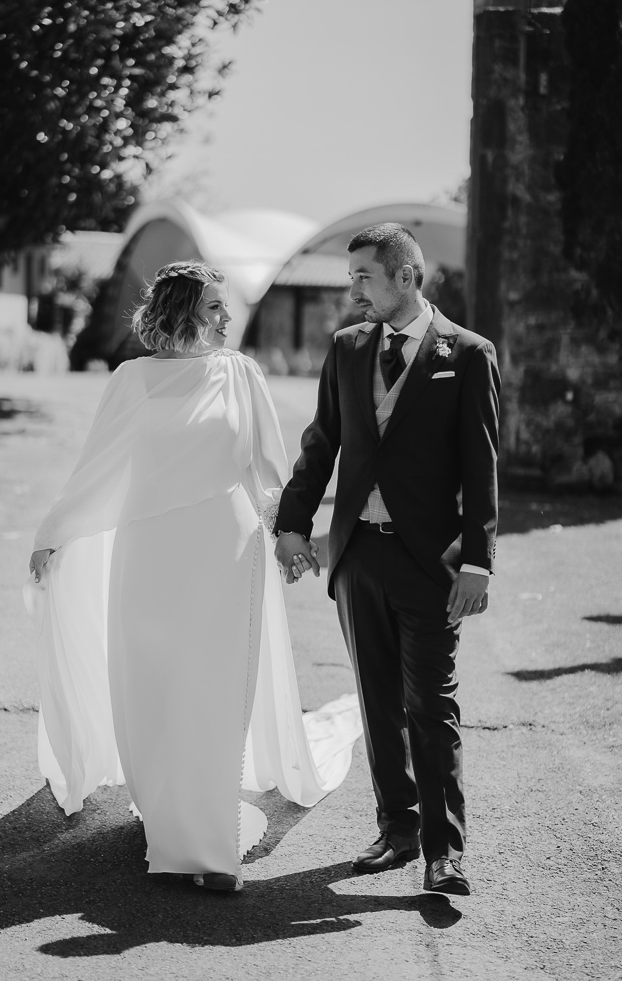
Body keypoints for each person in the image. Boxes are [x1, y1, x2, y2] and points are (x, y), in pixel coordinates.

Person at [25, 261, 361, 893]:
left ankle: (206, 848)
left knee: (210, 690)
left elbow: (267, 468)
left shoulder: (240, 375)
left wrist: (288, 535)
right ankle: (165, 814)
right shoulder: (130, 380)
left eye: (224, 307)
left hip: (224, 554)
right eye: (213, 307)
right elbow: (96, 470)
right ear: (179, 311)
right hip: (148, 554)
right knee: (149, 683)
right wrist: (52, 535)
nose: (226, 318)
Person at [274, 224, 500, 896]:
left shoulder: (467, 354)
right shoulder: (347, 349)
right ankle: (397, 831)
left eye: (363, 277)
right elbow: (321, 445)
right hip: (357, 557)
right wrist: (292, 526)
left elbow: (480, 467)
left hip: (429, 563)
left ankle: (443, 851)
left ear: (405, 277)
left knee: (430, 703)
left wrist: (477, 561)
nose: (354, 291)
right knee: (377, 704)